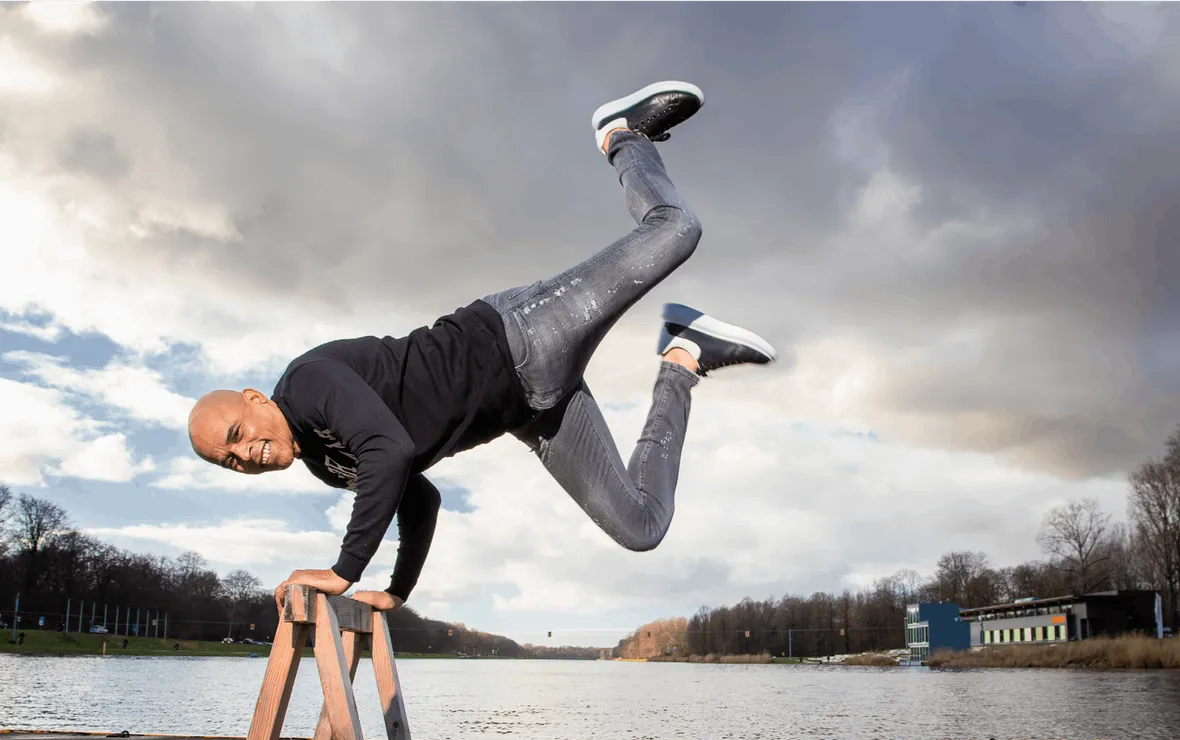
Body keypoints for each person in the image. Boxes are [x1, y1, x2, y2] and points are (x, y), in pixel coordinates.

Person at [186, 81, 777, 613]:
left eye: (238, 435)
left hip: (517, 336)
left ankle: (622, 135)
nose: (248, 455)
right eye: (231, 462)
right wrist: (397, 590)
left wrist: (344, 571)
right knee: (641, 525)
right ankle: (683, 357)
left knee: (676, 228)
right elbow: (419, 499)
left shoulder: (308, 384)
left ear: (254, 399)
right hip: (535, 412)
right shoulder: (326, 462)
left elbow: (389, 453)